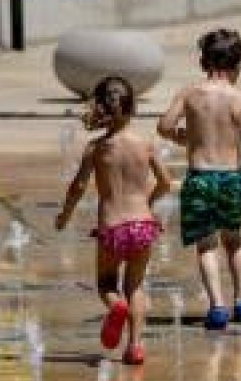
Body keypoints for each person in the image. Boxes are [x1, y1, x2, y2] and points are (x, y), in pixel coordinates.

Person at [158, 28, 241, 331]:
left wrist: (185, 138)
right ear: (238, 65)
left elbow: (164, 126)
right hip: (231, 179)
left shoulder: (190, 94)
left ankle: (218, 307)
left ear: (203, 62)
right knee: (234, 241)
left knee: (206, 245)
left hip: (199, 179)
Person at [56, 76, 173, 365]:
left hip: (111, 229)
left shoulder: (96, 148)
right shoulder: (145, 144)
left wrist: (65, 215)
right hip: (143, 226)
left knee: (107, 282)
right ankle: (134, 347)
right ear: (132, 106)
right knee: (136, 286)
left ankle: (115, 305)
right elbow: (166, 182)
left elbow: (78, 187)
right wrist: (148, 202)